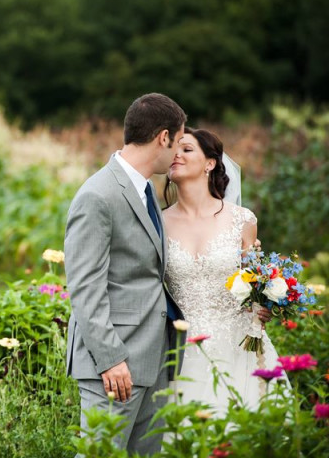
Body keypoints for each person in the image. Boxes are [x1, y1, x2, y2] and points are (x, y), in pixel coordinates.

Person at [65, 93, 187, 456]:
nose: (178, 152)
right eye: (179, 142)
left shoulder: (146, 188)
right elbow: (86, 287)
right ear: (163, 137)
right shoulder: (97, 195)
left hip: (151, 358)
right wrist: (111, 359)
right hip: (114, 365)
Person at [162, 127, 285, 412]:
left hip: (238, 345)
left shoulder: (242, 220)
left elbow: (254, 283)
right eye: (173, 149)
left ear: (210, 163)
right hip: (181, 348)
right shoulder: (157, 223)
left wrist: (263, 306)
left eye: (187, 149)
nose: (176, 155)